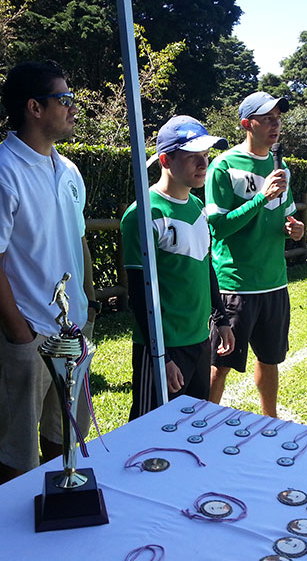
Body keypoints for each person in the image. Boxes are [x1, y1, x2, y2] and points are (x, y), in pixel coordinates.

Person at [0, 61, 98, 485]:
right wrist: (20, 333)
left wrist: (87, 308)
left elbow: (77, 243)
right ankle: (12, 534)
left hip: (71, 329)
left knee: (65, 432)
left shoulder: (69, 170)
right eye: (66, 99)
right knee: (16, 447)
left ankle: (61, 500)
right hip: (29, 332)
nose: (74, 107)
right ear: (34, 108)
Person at [121, 116, 235, 419]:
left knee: (192, 425)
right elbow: (138, 294)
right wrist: (163, 355)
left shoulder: (198, 207)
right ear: (165, 160)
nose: (203, 163)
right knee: (150, 429)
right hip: (162, 349)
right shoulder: (143, 214)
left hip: (199, 341)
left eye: (206, 155)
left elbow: (206, 264)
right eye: (192, 157)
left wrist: (221, 318)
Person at [205, 92, 305, 417]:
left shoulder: (281, 166)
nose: (276, 125)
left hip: (274, 283)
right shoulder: (224, 166)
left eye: (278, 118)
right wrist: (260, 198)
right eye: (268, 119)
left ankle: (270, 422)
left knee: (270, 359)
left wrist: (296, 229)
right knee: (220, 364)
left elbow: (286, 215)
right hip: (235, 286)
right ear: (248, 124)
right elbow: (218, 227)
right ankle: (202, 424)